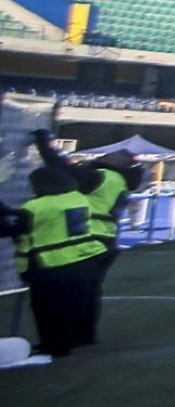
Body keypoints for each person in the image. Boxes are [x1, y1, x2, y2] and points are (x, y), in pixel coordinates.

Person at [8, 133, 138, 360]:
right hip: (105, 239)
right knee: (86, 293)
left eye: (110, 154)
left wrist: (45, 146)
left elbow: (61, 170)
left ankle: (65, 339)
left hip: (90, 240)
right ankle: (82, 335)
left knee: (66, 297)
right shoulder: (119, 180)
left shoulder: (103, 177)